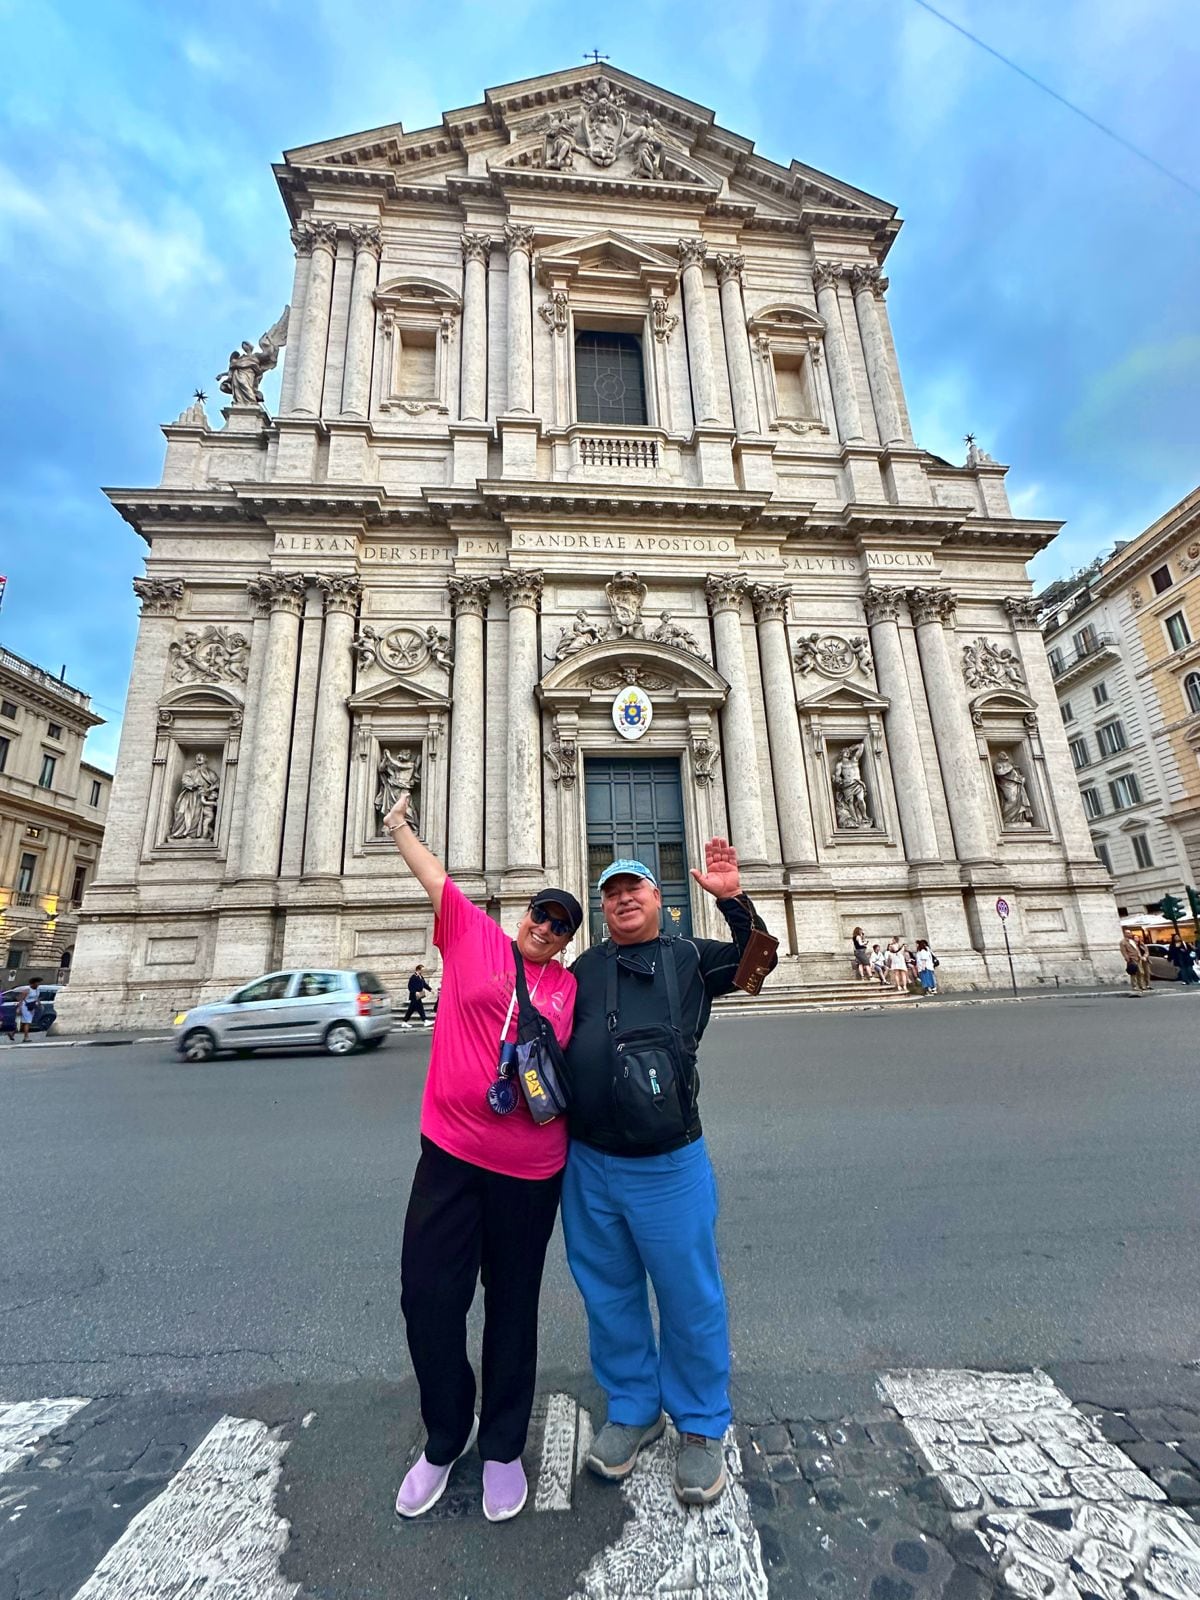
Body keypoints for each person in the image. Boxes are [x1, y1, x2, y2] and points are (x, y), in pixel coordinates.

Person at [381, 791, 583, 1523]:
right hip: (451, 1155)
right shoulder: (472, 936)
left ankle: (501, 1445)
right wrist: (400, 823)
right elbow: (434, 877)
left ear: (566, 942)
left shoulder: (570, 989)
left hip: (531, 1173)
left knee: (512, 1309)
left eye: (561, 925)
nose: (546, 926)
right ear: (523, 915)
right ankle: (445, 1433)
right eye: (541, 913)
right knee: (427, 1297)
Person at [561, 841, 777, 1506]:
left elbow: (757, 969)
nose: (624, 897)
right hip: (590, 1162)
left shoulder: (689, 957)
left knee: (689, 1297)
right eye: (613, 890)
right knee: (609, 1295)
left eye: (637, 888)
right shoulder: (582, 968)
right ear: (602, 906)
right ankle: (633, 1408)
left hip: (668, 1164)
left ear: (658, 900)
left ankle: (701, 1426)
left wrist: (734, 901)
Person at [16, 978, 43, 1042]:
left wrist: (40, 1004)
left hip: (31, 1007)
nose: (38, 984)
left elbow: (37, 998)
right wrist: (19, 1008)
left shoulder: (37, 990)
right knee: (27, 1022)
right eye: (37, 983)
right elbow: (21, 999)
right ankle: (26, 1037)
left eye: (39, 983)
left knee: (24, 1023)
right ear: (33, 983)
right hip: (25, 1007)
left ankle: (12, 1033)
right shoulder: (27, 990)